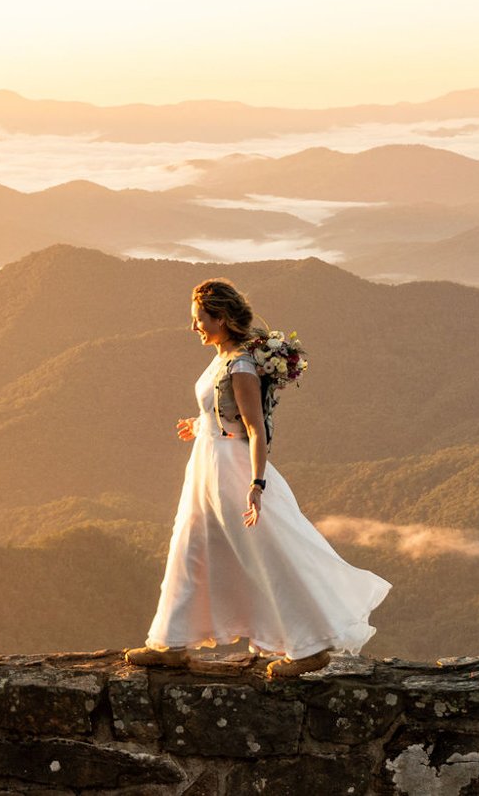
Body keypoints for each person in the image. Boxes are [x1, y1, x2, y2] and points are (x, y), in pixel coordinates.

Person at [125, 278, 390, 678]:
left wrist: (256, 484)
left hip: (230, 471)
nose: (193, 326)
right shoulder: (224, 356)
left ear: (221, 318)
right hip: (206, 465)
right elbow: (224, 414)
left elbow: (254, 429)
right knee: (191, 546)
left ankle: (310, 645)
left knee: (266, 553)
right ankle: (171, 643)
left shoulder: (241, 365)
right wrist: (199, 425)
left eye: (199, 318)